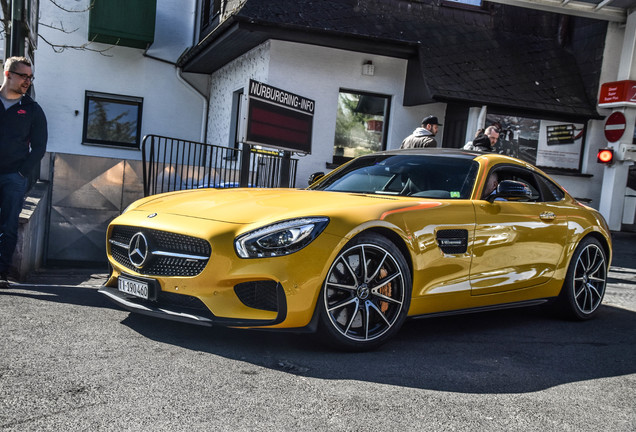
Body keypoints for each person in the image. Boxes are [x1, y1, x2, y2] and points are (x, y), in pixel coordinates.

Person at [0, 57, 48, 288]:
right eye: (23, 76)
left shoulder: (32, 110)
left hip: (13, 178)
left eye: (30, 77)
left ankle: (1, 273)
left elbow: (39, 147)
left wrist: (22, 173)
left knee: (8, 227)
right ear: (8, 74)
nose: (27, 81)